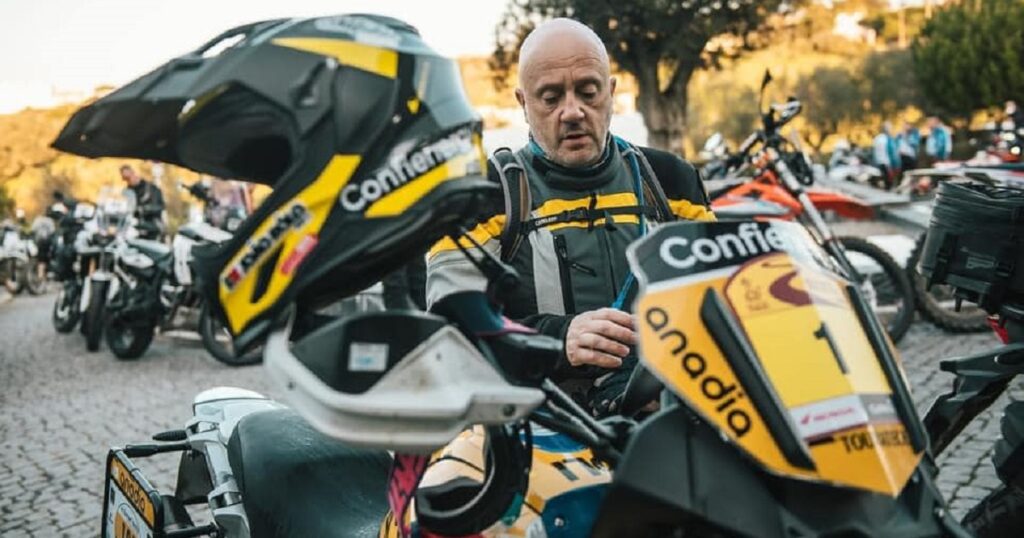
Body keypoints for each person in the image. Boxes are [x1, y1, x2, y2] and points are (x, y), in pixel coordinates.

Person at [425, 18, 714, 416]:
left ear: (611, 92)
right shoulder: (483, 197)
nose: (573, 111)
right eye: (550, 97)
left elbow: (720, 302)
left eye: (588, 92)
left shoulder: (671, 181)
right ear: (523, 103)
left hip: (666, 419)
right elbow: (450, 332)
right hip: (542, 427)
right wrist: (559, 340)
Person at [119, 164, 165, 240]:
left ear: (133, 173)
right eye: (125, 178)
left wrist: (144, 209)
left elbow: (160, 206)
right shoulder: (126, 193)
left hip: (152, 226)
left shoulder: (151, 188)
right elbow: (124, 208)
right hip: (133, 228)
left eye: (129, 176)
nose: (129, 180)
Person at [872, 122, 899, 189]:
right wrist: (895, 164)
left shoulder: (877, 138)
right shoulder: (888, 139)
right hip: (886, 162)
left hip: (878, 162)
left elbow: (874, 151)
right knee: (888, 182)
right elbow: (891, 153)